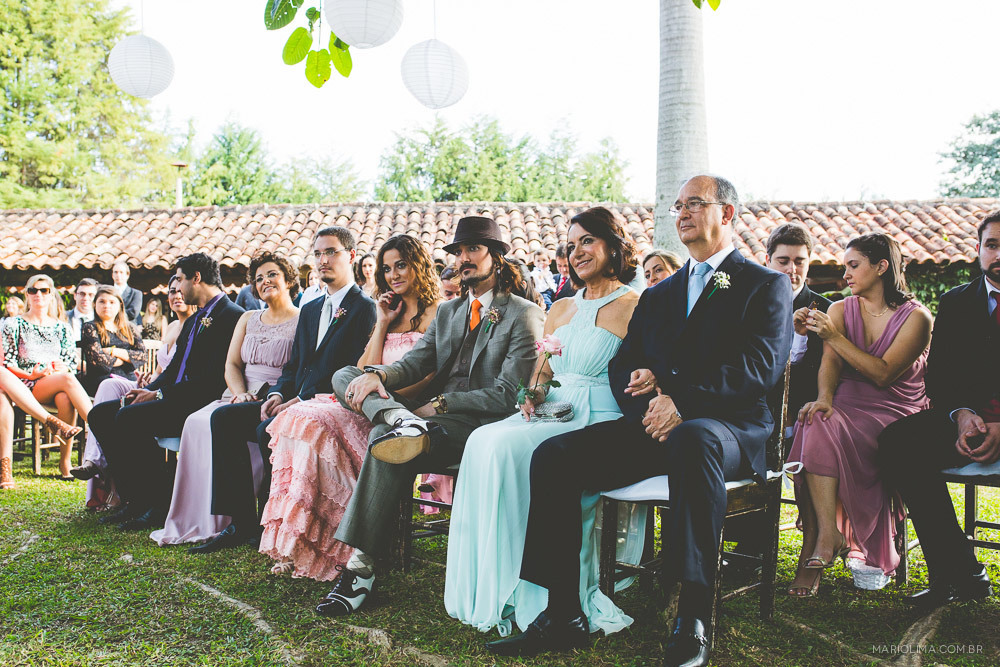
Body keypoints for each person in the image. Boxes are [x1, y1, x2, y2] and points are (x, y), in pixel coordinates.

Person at [486, 175, 791, 667]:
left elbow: (758, 370)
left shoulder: (764, 284)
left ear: (727, 214)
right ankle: (563, 612)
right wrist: (644, 395)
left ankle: (693, 617)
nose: (683, 213)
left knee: (694, 439)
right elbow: (622, 364)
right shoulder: (661, 293)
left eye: (695, 203)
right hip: (655, 423)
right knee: (555, 456)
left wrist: (682, 403)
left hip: (728, 427)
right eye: (678, 206)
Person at [319, 216, 545, 617]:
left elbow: (508, 394)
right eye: (458, 251)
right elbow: (415, 362)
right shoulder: (450, 311)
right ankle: (400, 420)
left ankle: (359, 572)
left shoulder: (522, 314)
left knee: (383, 441)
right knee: (348, 375)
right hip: (422, 418)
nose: (464, 258)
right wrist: (380, 377)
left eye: (473, 249)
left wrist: (439, 407)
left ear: (496, 257)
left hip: (475, 423)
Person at [445, 207, 641, 637]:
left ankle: (542, 594)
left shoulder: (635, 306)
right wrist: (531, 394)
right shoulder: (561, 308)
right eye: (571, 246)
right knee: (484, 440)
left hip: (597, 414)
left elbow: (644, 374)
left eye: (587, 241)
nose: (577, 252)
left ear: (613, 245)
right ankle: (496, 585)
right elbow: (544, 372)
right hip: (554, 408)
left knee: (509, 449)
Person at [259, 234, 440, 578]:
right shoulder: (387, 311)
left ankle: (335, 546)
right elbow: (363, 370)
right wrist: (383, 322)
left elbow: (429, 375)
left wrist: (383, 392)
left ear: (419, 265)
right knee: (301, 414)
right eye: (386, 269)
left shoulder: (438, 312)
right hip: (366, 402)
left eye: (401, 265)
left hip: (405, 404)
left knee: (315, 422)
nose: (393, 275)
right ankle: (295, 543)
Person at [189, 227, 376, 555]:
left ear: (351, 257)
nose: (323, 260)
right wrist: (277, 394)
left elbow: (350, 370)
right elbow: (293, 367)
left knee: (265, 430)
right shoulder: (312, 309)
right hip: (290, 399)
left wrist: (300, 400)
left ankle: (275, 520)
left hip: (326, 405)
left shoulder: (365, 308)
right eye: (317, 254)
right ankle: (240, 522)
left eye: (331, 252)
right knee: (224, 419)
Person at [786, 233, 932, 597]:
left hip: (895, 407)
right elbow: (829, 365)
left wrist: (833, 336)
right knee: (817, 418)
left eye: (854, 265)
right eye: (844, 266)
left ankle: (822, 545)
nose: (845, 274)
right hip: (847, 400)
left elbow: (883, 373)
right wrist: (823, 397)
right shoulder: (840, 309)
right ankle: (826, 534)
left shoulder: (917, 318)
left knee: (827, 428)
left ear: (881, 267)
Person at [877, 211, 1000, 609]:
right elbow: (941, 376)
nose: (999, 254)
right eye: (992, 245)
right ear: (978, 250)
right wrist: (962, 413)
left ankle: (962, 574)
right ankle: (956, 571)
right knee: (898, 442)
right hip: (968, 422)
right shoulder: (956, 302)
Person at [151, 252, 300, 547]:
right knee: (195, 421)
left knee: (220, 421)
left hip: (274, 394)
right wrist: (238, 392)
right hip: (238, 391)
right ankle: (200, 516)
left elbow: (298, 368)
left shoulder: (303, 319)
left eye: (271, 275)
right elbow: (231, 365)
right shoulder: (247, 318)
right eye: (258, 279)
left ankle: (239, 520)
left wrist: (271, 395)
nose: (265, 282)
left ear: (288, 279)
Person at [88, 253, 244, 531]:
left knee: (130, 418)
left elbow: (211, 380)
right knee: (100, 414)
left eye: (181, 280)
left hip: (199, 402)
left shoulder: (232, 316)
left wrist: (159, 396)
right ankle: (134, 500)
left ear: (197, 278)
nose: (179, 289)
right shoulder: (195, 319)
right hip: (173, 396)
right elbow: (173, 370)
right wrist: (145, 390)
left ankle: (157, 504)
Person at [70, 275, 195, 508]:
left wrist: (116, 352)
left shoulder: (195, 327)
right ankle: (99, 467)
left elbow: (137, 358)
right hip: (141, 382)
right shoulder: (172, 327)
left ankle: (108, 477)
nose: (176, 295)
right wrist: (150, 377)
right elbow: (150, 367)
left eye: (180, 291)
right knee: (107, 385)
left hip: (169, 392)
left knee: (112, 394)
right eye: (171, 291)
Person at [2, 274, 93, 480]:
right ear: (27, 294)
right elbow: (7, 364)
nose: (38, 295)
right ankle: (100, 426)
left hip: (54, 383)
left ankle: (65, 462)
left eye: (44, 290)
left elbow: (71, 363)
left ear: (51, 294)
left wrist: (63, 367)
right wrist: (31, 373)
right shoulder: (13, 324)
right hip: (25, 384)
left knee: (65, 395)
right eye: (33, 290)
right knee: (68, 381)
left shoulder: (62, 327)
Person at [765, 224, 832, 422]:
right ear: (768, 261)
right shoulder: (752, 304)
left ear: (809, 263)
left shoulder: (827, 309)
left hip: (802, 415)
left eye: (799, 262)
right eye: (783, 261)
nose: (791, 269)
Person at [0, 361, 83, 489]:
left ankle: (4, 469)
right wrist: (30, 376)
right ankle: (52, 422)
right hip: (23, 380)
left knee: (2, 397)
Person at [79, 286, 146, 395]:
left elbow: (142, 356)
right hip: (102, 381)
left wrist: (112, 351)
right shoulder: (90, 327)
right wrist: (128, 360)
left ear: (119, 305)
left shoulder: (130, 328)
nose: (107, 306)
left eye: (111, 302)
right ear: (94, 304)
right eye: (102, 302)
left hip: (129, 379)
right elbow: (100, 363)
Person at [66, 279, 98, 343]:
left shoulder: (101, 320)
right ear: (75, 296)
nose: (86, 298)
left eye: (91, 295)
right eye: (82, 294)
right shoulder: (62, 317)